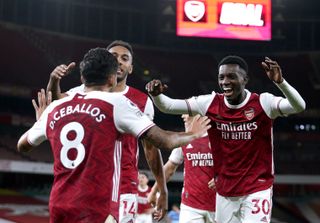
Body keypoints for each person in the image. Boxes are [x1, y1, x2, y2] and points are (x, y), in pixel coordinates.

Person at [17, 48, 211, 223]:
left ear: (83, 78)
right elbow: (166, 141)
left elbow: (22, 146)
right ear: (112, 79)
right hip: (99, 203)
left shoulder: (57, 106)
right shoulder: (117, 103)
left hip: (60, 202)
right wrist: (194, 133)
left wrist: (41, 122)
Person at [145, 56, 306, 223]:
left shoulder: (263, 103)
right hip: (224, 191)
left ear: (245, 79)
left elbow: (299, 106)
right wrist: (156, 95)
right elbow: (169, 106)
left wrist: (281, 82)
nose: (225, 81)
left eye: (231, 76)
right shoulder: (210, 103)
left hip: (257, 188)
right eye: (221, 77)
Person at [46, 40, 168, 222]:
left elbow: (150, 148)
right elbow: (56, 105)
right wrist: (54, 81)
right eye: (114, 57)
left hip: (124, 187)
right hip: (86, 185)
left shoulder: (142, 101)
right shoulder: (81, 91)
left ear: (131, 67)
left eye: (124, 58)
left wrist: (162, 188)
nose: (119, 61)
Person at [149, 114, 216, 223]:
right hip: (190, 205)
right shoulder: (183, 140)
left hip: (218, 204)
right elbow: (169, 169)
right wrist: (154, 190)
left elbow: (235, 166)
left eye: (188, 113)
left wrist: (222, 177)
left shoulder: (217, 138)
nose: (183, 116)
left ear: (199, 117)